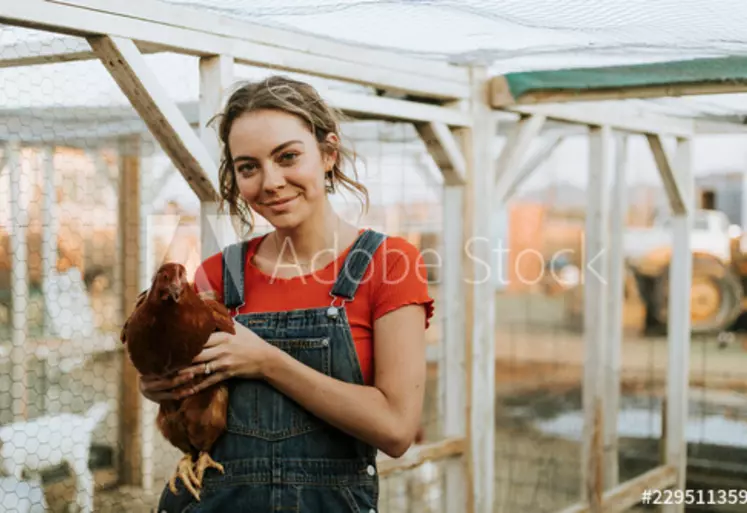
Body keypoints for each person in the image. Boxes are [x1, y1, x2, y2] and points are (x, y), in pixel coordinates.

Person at [139, 75, 434, 512]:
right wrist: (161, 385)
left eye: (288, 157)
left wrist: (267, 363)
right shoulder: (219, 274)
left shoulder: (389, 264)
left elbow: (396, 430)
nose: (271, 182)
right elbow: (183, 397)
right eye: (248, 167)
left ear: (328, 153)